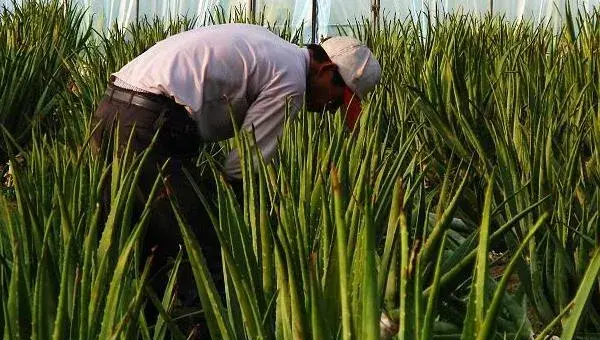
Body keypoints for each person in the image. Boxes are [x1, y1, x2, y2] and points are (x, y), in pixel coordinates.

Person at [91, 22, 381, 332]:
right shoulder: (292, 81)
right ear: (325, 70)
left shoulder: (272, 47)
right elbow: (245, 163)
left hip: (112, 109)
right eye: (336, 100)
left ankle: (143, 327)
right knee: (203, 256)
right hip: (150, 123)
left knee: (143, 244)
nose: (328, 110)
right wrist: (233, 220)